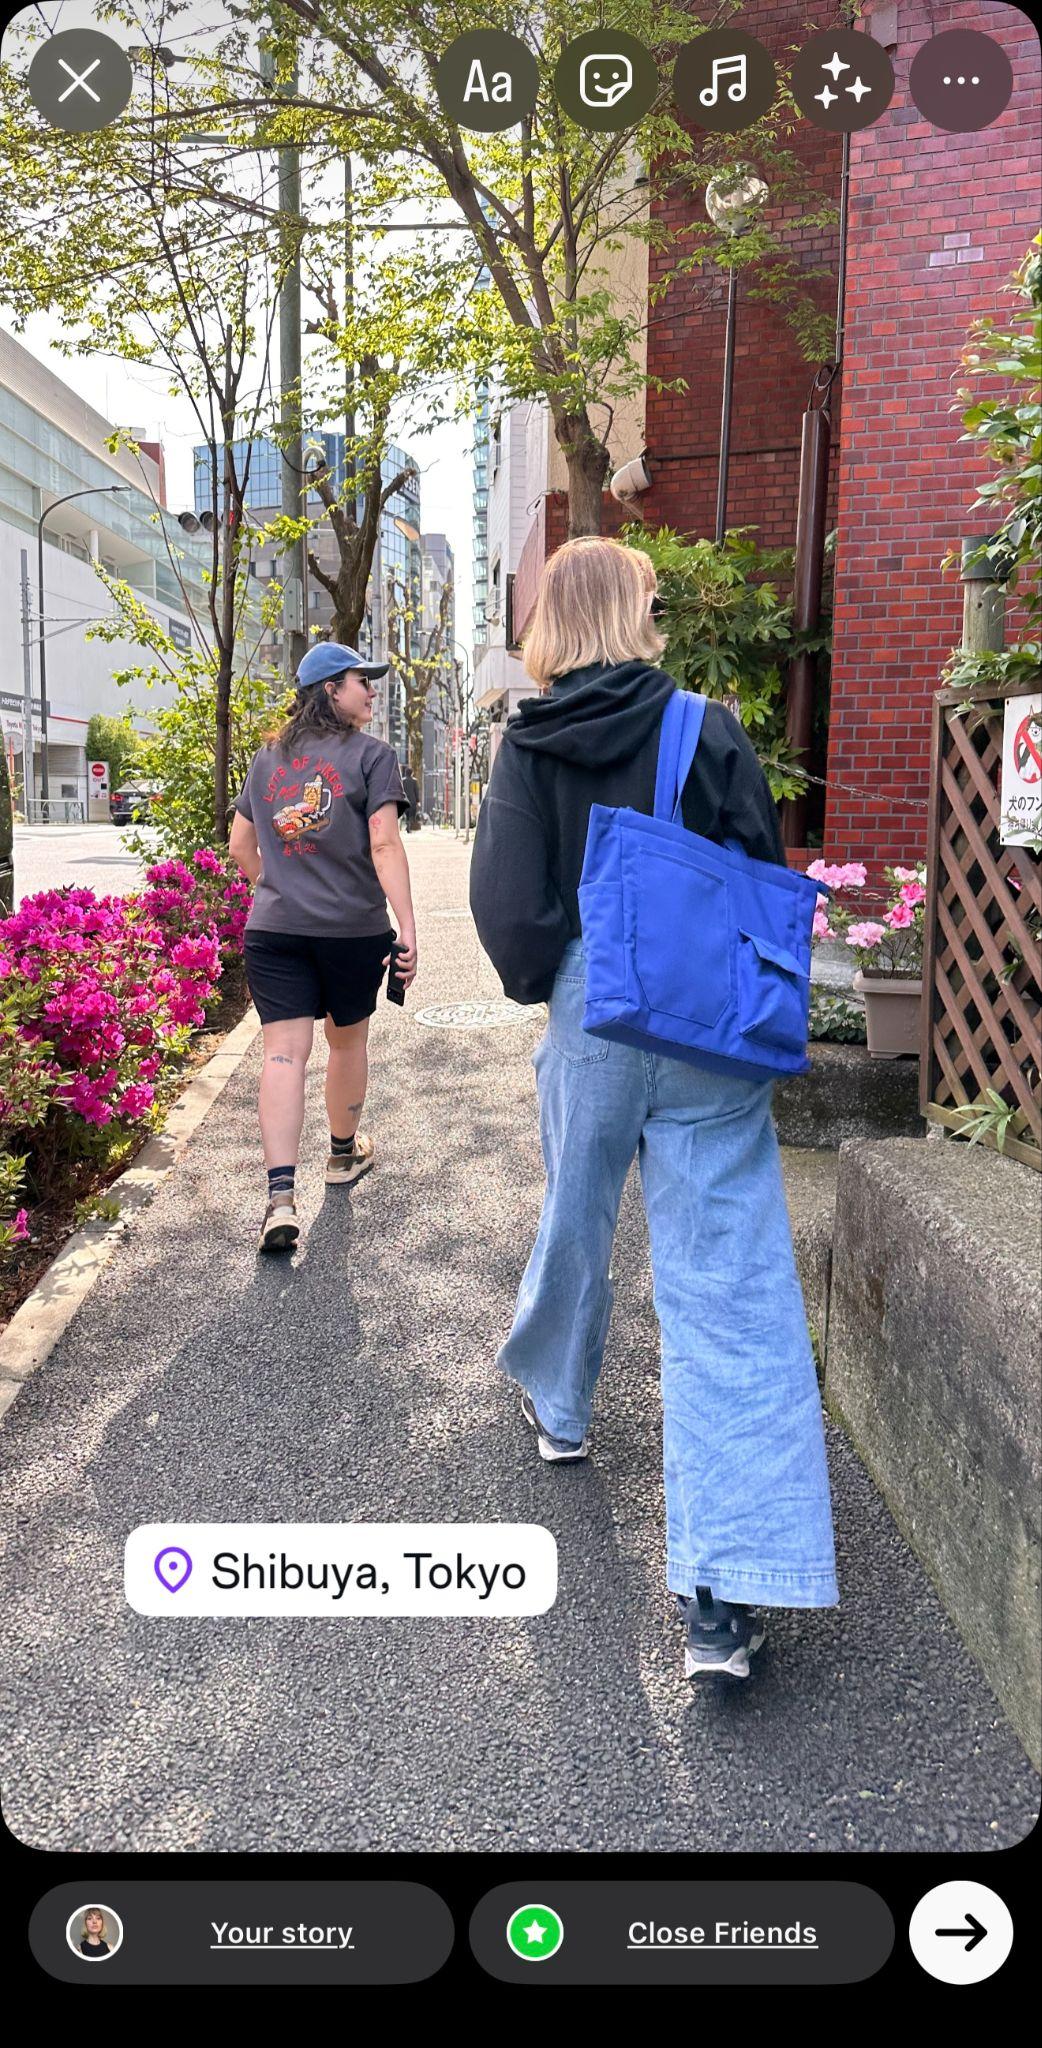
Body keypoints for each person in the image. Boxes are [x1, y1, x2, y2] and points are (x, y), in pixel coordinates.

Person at [470, 537, 838, 1682]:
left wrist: (561, 979)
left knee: (575, 1218)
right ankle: (724, 1601)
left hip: (592, 1013)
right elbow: (758, 874)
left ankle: (562, 1406)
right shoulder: (704, 726)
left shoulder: (526, 746)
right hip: (703, 1023)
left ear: (549, 626)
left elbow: (506, 916)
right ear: (633, 614)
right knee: (726, 1288)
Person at [230, 643, 418, 1254]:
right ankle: (341, 1156)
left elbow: (240, 846)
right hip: (350, 929)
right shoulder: (372, 757)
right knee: (347, 1039)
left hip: (274, 928)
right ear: (331, 690)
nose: (371, 691)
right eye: (362, 681)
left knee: (283, 1054)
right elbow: (385, 845)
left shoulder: (267, 760)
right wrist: (408, 926)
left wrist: (276, 884)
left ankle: (280, 1199)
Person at [401, 763, 421, 832]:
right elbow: (416, 791)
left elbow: (401, 790)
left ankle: (408, 825)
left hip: (404, 800)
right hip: (413, 801)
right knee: (412, 815)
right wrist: (418, 801)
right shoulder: (414, 781)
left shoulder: (402, 780)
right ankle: (409, 826)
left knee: (406, 814)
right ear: (411, 773)